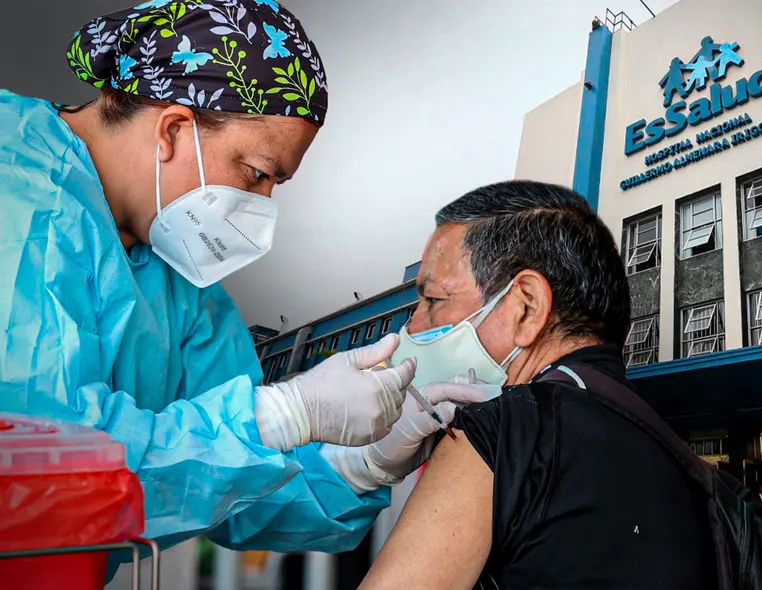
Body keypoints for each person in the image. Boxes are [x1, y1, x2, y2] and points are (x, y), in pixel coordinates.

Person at [0, 0, 487, 570]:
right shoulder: (20, 199)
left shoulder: (183, 285)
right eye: (256, 173)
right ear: (173, 128)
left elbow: (225, 481)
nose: (260, 207)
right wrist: (280, 415)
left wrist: (359, 464)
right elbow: (34, 474)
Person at [358, 180, 718, 589]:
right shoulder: (686, 468)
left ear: (527, 307)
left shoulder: (500, 435)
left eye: (433, 300)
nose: (414, 324)